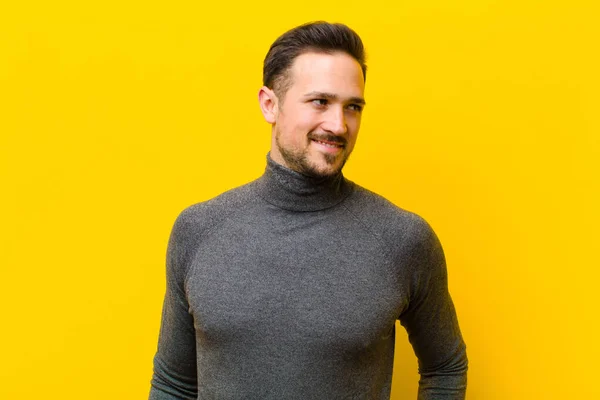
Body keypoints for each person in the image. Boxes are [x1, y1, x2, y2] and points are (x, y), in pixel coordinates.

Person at [149, 21, 468, 400]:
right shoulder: (198, 230)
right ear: (270, 104)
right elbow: (173, 384)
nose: (338, 124)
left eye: (353, 107)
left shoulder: (403, 239)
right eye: (320, 101)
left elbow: (445, 367)